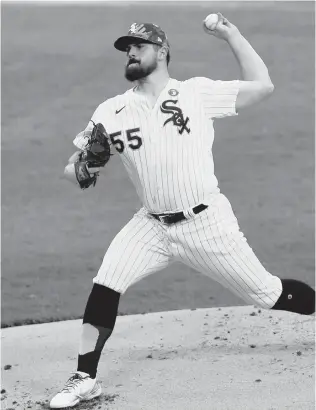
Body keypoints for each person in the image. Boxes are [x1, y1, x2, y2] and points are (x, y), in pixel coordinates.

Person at [50, 14, 315, 409]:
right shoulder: (110, 111)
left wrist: (232, 35)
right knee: (106, 283)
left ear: (161, 51)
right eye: (127, 49)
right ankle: (85, 378)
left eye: (138, 46)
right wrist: (83, 167)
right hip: (150, 225)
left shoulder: (195, 94)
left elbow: (263, 86)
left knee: (267, 293)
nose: (131, 53)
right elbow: (73, 171)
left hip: (206, 223)